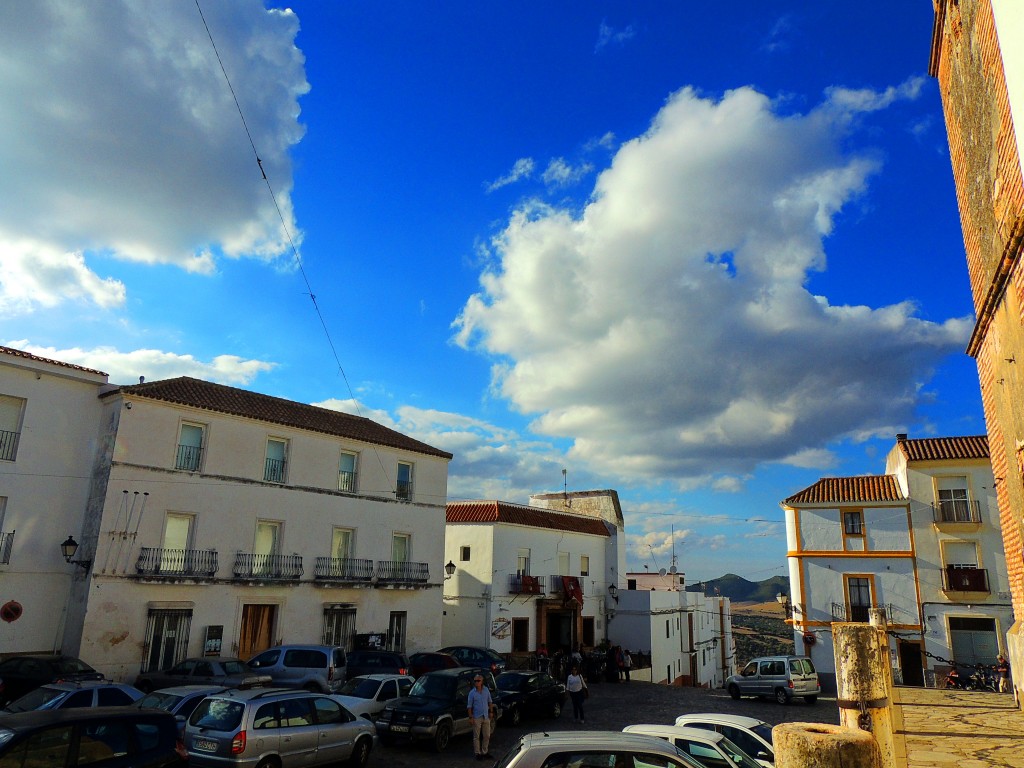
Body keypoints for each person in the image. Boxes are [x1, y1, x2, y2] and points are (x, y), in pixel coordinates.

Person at [467, 673, 495, 760]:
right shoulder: (472, 693)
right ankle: (477, 753)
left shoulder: (486, 690)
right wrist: (470, 717)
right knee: (476, 736)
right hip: (477, 717)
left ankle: (484, 751)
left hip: (485, 716)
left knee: (487, 735)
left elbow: (490, 701)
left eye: (478, 681)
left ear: (482, 681)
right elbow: (469, 706)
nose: (476, 682)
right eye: (475, 681)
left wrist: (491, 711)